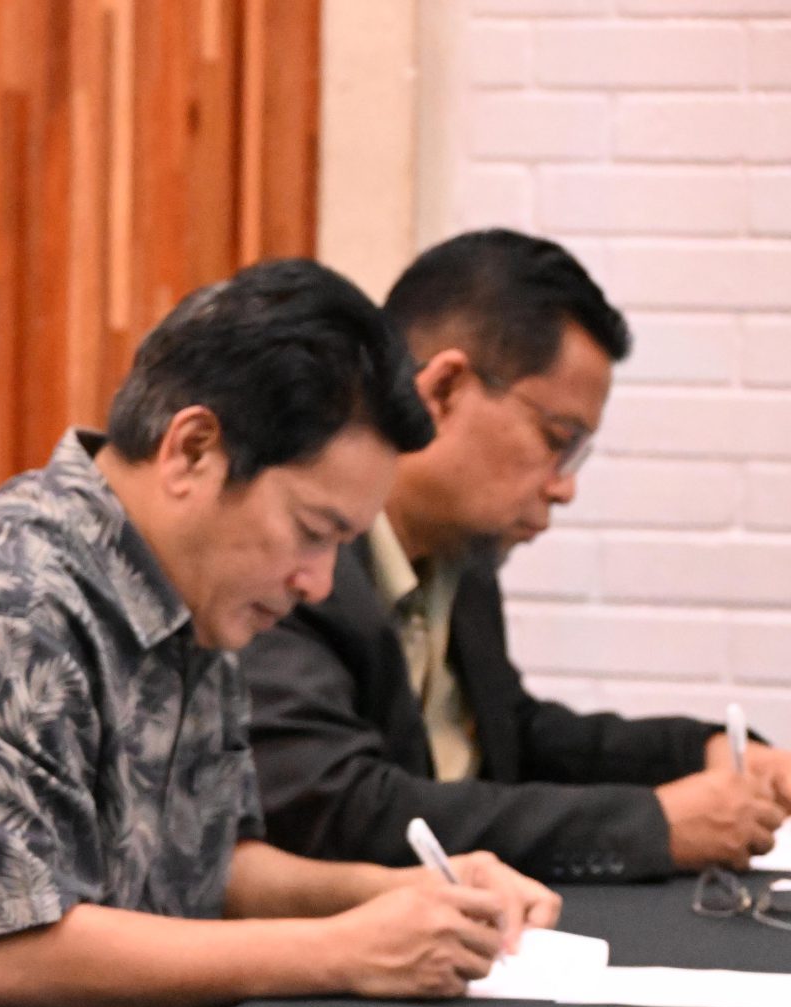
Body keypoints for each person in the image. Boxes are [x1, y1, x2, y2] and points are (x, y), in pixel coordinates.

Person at [0, 260, 562, 1007]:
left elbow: (213, 869)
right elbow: (1, 956)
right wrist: (344, 947)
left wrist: (400, 895)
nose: (319, 581)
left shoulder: (193, 587)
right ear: (193, 450)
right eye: (312, 530)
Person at [243, 229, 790, 882]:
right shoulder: (299, 564)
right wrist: (651, 824)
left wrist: (696, 751)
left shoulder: (461, 554)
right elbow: (341, 811)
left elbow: (511, 736)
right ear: (443, 391)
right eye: (557, 439)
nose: (564, 486)